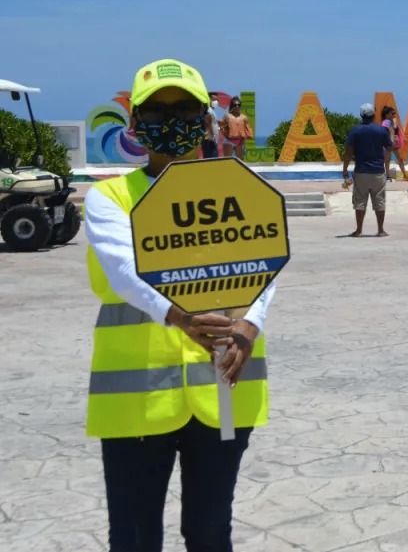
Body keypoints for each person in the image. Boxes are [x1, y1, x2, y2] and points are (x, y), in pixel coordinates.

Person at [84, 58, 274, 552]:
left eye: (185, 108)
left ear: (207, 120)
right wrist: (178, 316)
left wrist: (250, 325)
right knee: (134, 536)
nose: (171, 119)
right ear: (134, 124)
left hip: (223, 390)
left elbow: (265, 261)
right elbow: (124, 270)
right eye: (156, 110)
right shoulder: (110, 198)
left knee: (211, 532)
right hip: (139, 399)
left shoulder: (236, 187)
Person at [343, 103, 394, 237]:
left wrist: (345, 170)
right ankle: (381, 230)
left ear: (361, 115)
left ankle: (359, 230)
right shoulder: (381, 130)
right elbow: (390, 147)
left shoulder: (355, 130)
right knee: (379, 200)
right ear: (374, 114)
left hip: (361, 171)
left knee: (360, 201)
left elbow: (348, 152)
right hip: (378, 171)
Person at [380, 106, 408, 182]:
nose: (394, 115)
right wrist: (394, 123)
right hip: (387, 143)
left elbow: (398, 130)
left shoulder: (392, 121)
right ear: (387, 114)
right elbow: (391, 130)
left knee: (400, 159)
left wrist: (403, 138)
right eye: (392, 113)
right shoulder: (386, 122)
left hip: (394, 143)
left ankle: (405, 175)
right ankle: (387, 176)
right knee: (387, 160)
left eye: (394, 113)